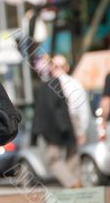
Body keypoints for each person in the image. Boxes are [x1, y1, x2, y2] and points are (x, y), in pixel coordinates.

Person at [32, 55, 90, 188]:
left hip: (54, 127)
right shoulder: (74, 83)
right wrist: (82, 130)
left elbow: (41, 111)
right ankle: (73, 185)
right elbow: (82, 109)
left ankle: (71, 184)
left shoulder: (46, 85)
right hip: (71, 123)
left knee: (54, 159)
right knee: (73, 157)